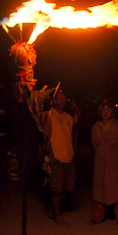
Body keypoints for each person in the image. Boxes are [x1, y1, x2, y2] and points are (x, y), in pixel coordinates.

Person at [89, 101, 118, 228]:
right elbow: (95, 145)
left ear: (112, 112)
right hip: (100, 164)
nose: (105, 113)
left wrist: (114, 157)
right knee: (99, 191)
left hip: (115, 165)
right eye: (103, 111)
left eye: (108, 111)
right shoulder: (95, 128)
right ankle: (98, 217)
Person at [43, 90, 79, 226]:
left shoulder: (69, 117)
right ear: (54, 100)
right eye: (59, 98)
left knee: (66, 187)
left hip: (68, 156)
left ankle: (54, 210)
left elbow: (72, 135)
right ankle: (58, 216)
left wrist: (76, 112)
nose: (62, 101)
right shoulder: (49, 116)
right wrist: (50, 154)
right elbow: (46, 137)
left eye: (64, 98)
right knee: (56, 188)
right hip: (56, 157)